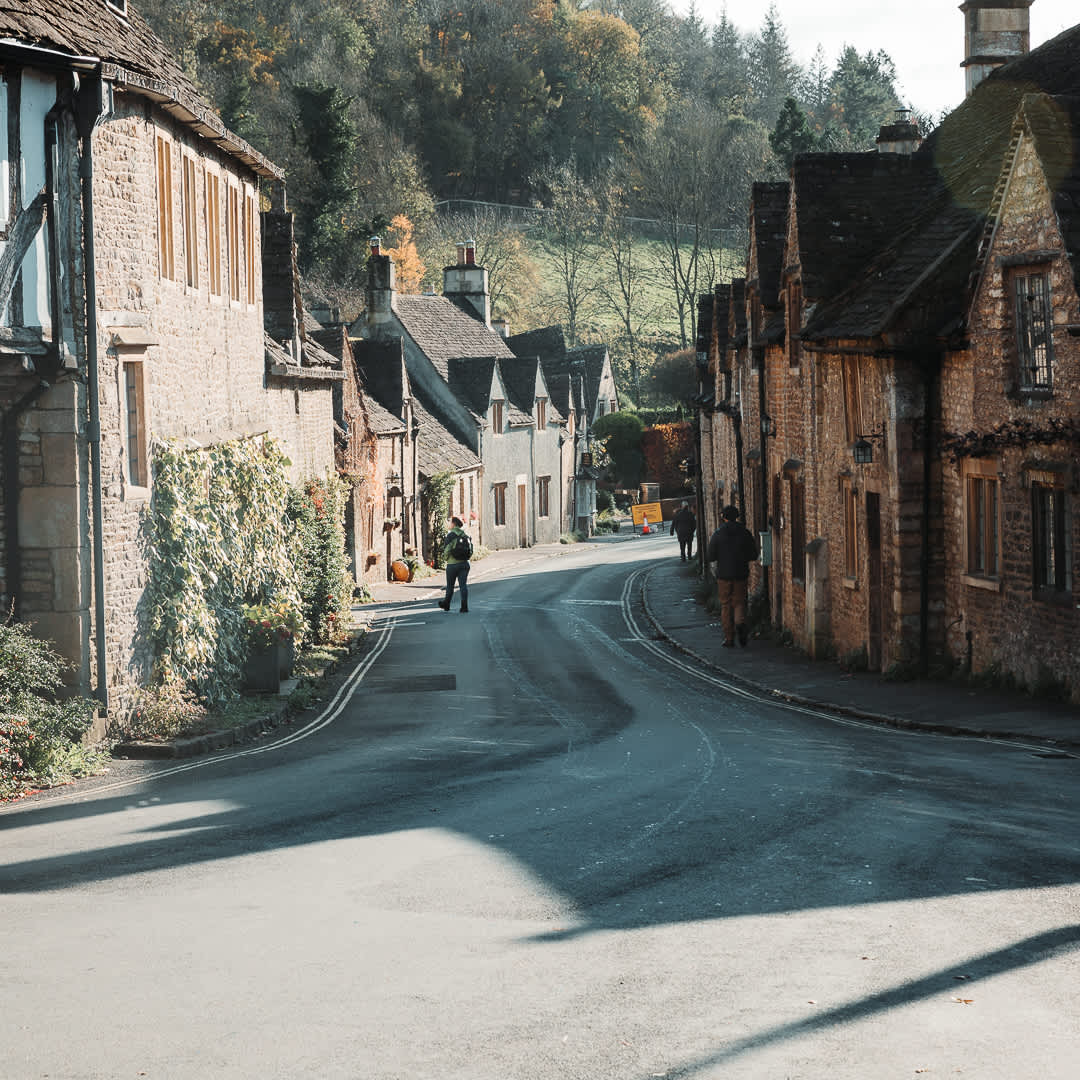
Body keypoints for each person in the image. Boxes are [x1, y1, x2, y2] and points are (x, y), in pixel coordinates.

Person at [705, 505, 759, 648]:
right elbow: (754, 554)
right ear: (737, 516)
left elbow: (710, 556)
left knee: (726, 605)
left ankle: (729, 638)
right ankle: (740, 624)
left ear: (723, 517)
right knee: (739, 602)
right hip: (740, 573)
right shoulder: (745, 532)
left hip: (723, 575)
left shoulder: (718, 534)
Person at [438, 516, 471, 613]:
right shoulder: (465, 535)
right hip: (464, 564)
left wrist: (446, 559)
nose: (449, 524)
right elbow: (471, 549)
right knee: (463, 585)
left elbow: (447, 550)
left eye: (450, 522)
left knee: (450, 586)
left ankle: (446, 604)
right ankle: (464, 607)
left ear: (454, 524)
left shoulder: (451, 535)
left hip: (452, 565)